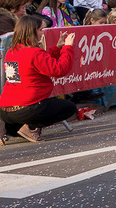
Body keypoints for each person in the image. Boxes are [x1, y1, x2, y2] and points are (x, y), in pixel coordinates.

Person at [0, 15, 76, 143]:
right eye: (40, 30)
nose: (42, 33)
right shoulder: (34, 52)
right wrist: (68, 48)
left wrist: (57, 48)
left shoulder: (12, 51)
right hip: (27, 107)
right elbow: (59, 70)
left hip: (5, 109)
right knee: (69, 108)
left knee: (15, 128)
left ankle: (15, 129)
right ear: (32, 32)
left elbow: (40, 64)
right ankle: (31, 128)